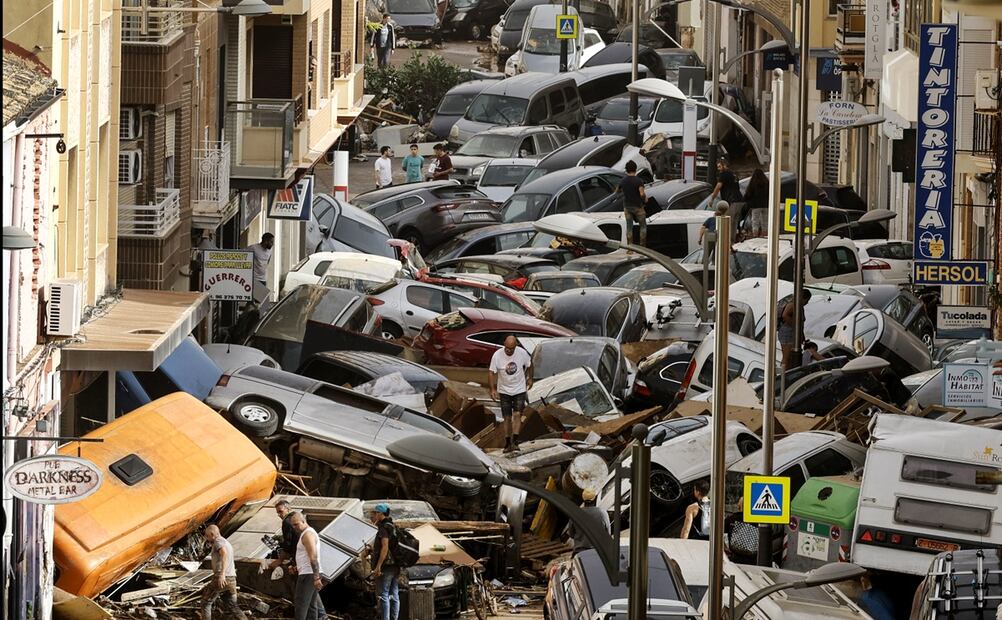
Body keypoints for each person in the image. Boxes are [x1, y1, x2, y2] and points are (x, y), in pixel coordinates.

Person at [488, 335, 533, 452]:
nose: (508, 351)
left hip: (519, 389)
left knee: (517, 415)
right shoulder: (497, 355)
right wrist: (492, 389)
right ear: (504, 344)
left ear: (515, 347)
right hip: (504, 390)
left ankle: (515, 441)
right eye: (507, 348)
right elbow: (491, 372)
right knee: (507, 418)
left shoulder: (522, 353)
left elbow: (530, 364)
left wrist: (530, 378)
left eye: (511, 349)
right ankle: (507, 443)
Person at [200, 524, 248, 620]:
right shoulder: (226, 542)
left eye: (207, 536)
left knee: (206, 603)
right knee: (231, 604)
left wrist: (222, 575)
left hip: (222, 578)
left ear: (213, 534)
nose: (207, 538)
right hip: (231, 578)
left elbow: (224, 554)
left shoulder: (218, 542)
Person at [290, 512, 326, 620]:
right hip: (308, 572)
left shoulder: (307, 535)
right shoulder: (306, 534)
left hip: (309, 574)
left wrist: (316, 577)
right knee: (311, 606)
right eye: (293, 525)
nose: (295, 527)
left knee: (301, 604)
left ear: (303, 521)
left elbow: (313, 557)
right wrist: (299, 566)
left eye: (296, 524)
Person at [369, 503, 400, 620]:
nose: (374, 515)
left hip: (387, 566)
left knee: (384, 594)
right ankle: (394, 617)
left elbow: (385, 547)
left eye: (376, 513)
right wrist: (372, 550)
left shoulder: (383, 528)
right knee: (394, 594)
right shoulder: (393, 526)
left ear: (381, 513)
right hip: (396, 565)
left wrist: (378, 566)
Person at [616, 160, 647, 248]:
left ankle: (630, 247)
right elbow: (641, 194)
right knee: (643, 227)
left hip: (627, 207)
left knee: (629, 227)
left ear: (626, 169)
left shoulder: (623, 181)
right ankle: (642, 247)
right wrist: (645, 198)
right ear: (635, 169)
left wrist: (624, 190)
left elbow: (617, 191)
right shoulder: (639, 181)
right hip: (638, 207)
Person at [780, 289, 811, 370]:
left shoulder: (799, 307)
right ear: (802, 298)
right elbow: (785, 316)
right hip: (788, 332)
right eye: (806, 300)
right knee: (787, 356)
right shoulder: (792, 305)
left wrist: (801, 334)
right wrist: (795, 326)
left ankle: (787, 371)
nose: (807, 303)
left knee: (790, 357)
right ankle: (784, 375)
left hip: (793, 332)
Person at [247, 232, 274, 302]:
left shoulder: (270, 250)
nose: (272, 244)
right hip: (254, 279)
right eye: (271, 242)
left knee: (260, 302)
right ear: (265, 241)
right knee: (252, 301)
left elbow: (267, 262)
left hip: (263, 279)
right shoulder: (254, 248)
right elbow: (243, 255)